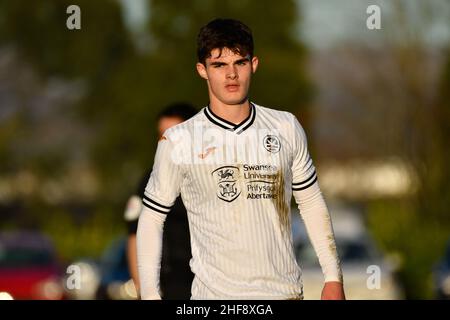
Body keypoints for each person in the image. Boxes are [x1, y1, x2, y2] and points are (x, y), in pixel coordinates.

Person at [137, 18, 345, 300]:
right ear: (202, 70)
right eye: (219, 65)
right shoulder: (178, 140)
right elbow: (151, 218)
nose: (231, 74)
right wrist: (150, 295)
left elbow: (309, 201)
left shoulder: (285, 126)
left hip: (283, 293)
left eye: (240, 62)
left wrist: (333, 277)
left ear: (254, 64)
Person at [124, 103, 197, 299]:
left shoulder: (215, 173)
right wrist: (143, 290)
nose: (166, 142)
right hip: (168, 283)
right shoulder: (151, 179)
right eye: (162, 135)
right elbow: (134, 236)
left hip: (209, 282)